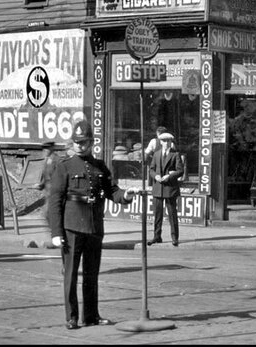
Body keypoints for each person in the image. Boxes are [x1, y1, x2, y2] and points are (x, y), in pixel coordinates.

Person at [46, 122, 133, 330]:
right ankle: (72, 317)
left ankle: (91, 316)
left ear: (91, 142)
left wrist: (125, 196)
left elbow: (112, 191)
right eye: (76, 142)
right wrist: (56, 232)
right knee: (71, 274)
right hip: (72, 227)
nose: (79, 146)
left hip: (94, 227)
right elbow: (55, 201)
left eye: (83, 142)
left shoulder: (100, 166)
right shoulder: (64, 167)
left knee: (92, 275)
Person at [148, 131, 185, 246]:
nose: (166, 143)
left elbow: (180, 171)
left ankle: (175, 238)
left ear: (171, 142)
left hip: (170, 188)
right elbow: (151, 169)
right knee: (157, 215)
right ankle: (157, 236)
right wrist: (156, 176)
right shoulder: (156, 154)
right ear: (160, 142)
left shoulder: (175, 154)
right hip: (158, 188)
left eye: (168, 141)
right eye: (164, 141)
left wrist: (169, 176)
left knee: (172, 215)